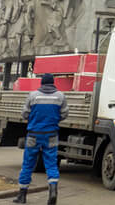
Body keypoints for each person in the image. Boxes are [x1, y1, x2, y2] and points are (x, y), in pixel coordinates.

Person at [14, 73, 67, 205]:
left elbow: (24, 113)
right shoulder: (60, 96)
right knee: (51, 163)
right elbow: (64, 114)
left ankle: (22, 195)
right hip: (51, 134)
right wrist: (54, 120)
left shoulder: (33, 96)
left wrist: (34, 119)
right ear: (53, 83)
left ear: (42, 83)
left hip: (33, 134)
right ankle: (53, 191)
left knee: (28, 163)